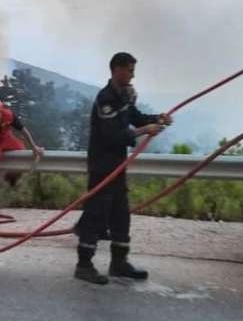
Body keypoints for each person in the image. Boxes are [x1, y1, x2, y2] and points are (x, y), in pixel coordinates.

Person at [74, 52, 173, 285]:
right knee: (95, 215)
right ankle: (84, 265)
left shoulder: (124, 97)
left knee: (121, 214)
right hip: (102, 166)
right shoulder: (106, 99)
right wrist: (144, 131)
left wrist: (157, 119)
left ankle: (119, 263)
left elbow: (136, 118)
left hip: (117, 166)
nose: (132, 74)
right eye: (129, 70)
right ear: (116, 70)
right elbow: (113, 136)